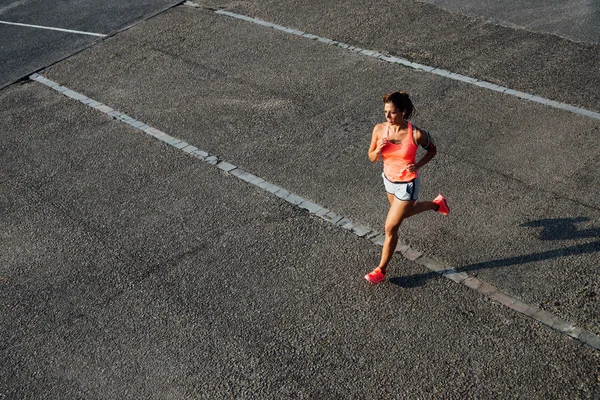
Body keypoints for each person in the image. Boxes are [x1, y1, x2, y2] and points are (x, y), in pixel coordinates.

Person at [365, 91, 449, 284]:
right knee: (404, 213)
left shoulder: (417, 134)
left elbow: (432, 150)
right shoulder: (379, 129)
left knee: (390, 227)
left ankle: (381, 270)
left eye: (392, 113)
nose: (387, 116)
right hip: (388, 180)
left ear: (403, 112)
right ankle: (437, 204)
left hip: (407, 184)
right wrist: (378, 149)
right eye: (386, 112)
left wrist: (417, 165)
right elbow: (371, 157)